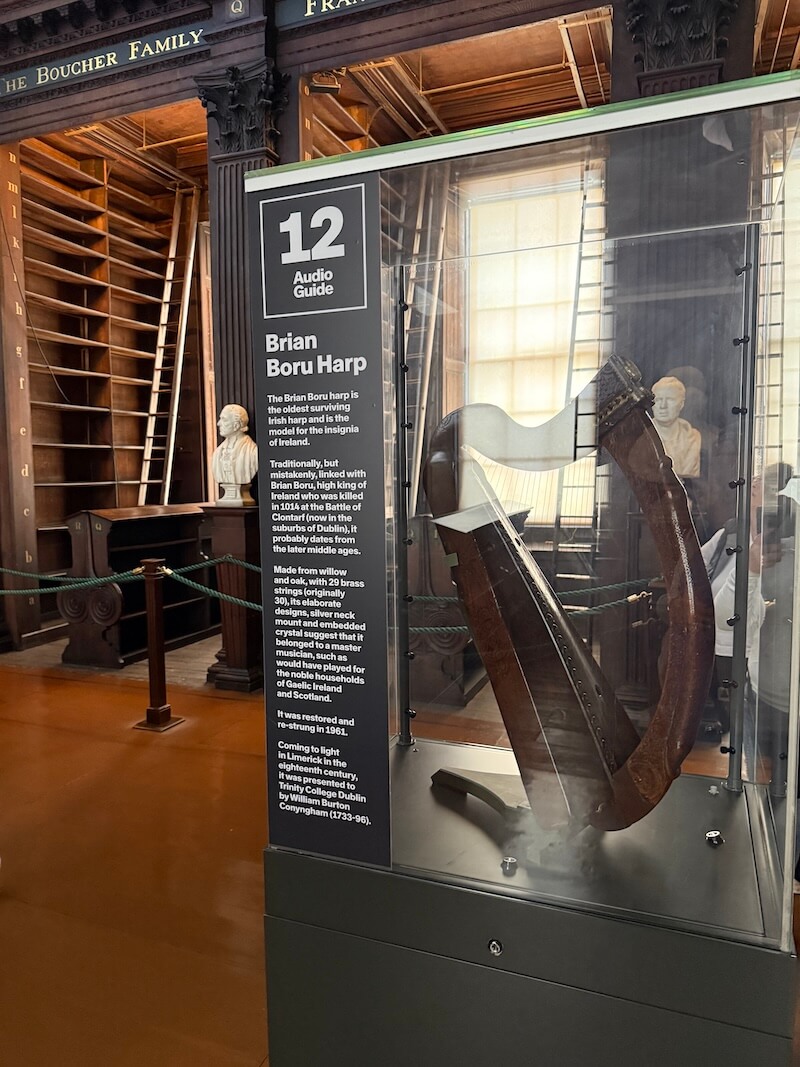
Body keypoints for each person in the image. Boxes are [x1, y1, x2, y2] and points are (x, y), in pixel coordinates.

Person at [651, 376, 702, 478]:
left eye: (670, 399)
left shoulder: (693, 437)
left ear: (681, 404)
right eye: (658, 399)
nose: (663, 406)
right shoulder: (641, 437)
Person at [211, 403, 258, 506]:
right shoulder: (217, 453)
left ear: (236, 425)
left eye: (224, 420)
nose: (219, 423)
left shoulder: (252, 452)